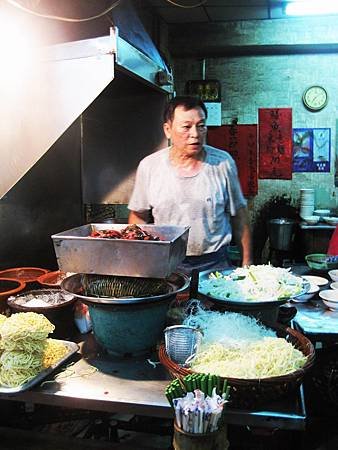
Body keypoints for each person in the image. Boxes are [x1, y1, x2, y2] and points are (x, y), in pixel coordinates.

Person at [128, 96, 252, 274]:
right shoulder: (150, 166)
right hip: (167, 262)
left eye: (201, 126)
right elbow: (138, 217)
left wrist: (247, 266)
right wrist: (137, 264)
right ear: (168, 130)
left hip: (216, 262)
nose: (195, 134)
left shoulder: (223, 163)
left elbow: (239, 216)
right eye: (186, 127)